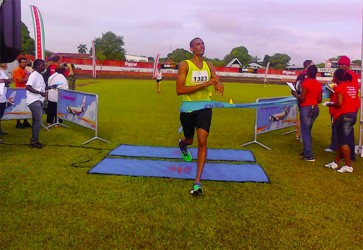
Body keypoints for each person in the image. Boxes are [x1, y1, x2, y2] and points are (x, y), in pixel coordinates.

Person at [176, 37, 224, 195]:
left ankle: (197, 182)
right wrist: (205, 84)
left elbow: (217, 82)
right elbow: (180, 90)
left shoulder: (209, 65)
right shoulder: (185, 65)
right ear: (191, 48)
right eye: (198, 44)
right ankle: (183, 144)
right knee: (190, 140)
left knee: (202, 141)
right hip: (188, 109)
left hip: (205, 107)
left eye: (203, 43)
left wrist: (219, 85)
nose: (202, 46)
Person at [324, 69, 358, 173]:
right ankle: (336, 162)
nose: (333, 78)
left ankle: (348, 165)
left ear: (338, 77)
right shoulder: (351, 86)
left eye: (334, 76)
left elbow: (338, 103)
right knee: (341, 140)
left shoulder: (341, 87)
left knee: (343, 142)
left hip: (344, 116)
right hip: (352, 115)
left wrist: (329, 103)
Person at [291, 65, 322, 162]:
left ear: (308, 73)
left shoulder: (306, 83)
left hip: (306, 108)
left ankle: (309, 155)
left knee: (305, 132)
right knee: (308, 131)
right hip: (315, 108)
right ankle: (306, 151)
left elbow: (302, 98)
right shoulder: (318, 84)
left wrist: (294, 94)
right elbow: (320, 99)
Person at [26, 59, 51, 149]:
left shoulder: (40, 75)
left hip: (39, 100)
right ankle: (34, 141)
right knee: (38, 120)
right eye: (42, 65)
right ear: (37, 65)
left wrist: (51, 87)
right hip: (33, 100)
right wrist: (40, 93)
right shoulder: (34, 75)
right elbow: (28, 87)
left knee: (36, 120)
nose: (44, 67)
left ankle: (34, 140)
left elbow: (42, 88)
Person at [294, 60, 313, 140]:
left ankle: (299, 135)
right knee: (305, 118)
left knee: (302, 116)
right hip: (306, 99)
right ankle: (302, 135)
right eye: (312, 64)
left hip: (302, 98)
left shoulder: (301, 74)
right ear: (308, 65)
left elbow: (296, 85)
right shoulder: (306, 74)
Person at [12, 57, 31, 129]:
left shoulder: (25, 70)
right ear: (19, 63)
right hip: (19, 90)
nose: (24, 63)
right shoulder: (17, 70)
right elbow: (20, 81)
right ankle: (18, 122)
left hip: (25, 90)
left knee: (26, 106)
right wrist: (29, 77)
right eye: (23, 62)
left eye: (25, 62)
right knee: (19, 106)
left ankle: (25, 121)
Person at [0, 63, 12, 140]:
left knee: (0, 115)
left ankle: (0, 130)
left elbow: (9, 81)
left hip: (2, 97)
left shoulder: (1, 71)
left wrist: (3, 81)